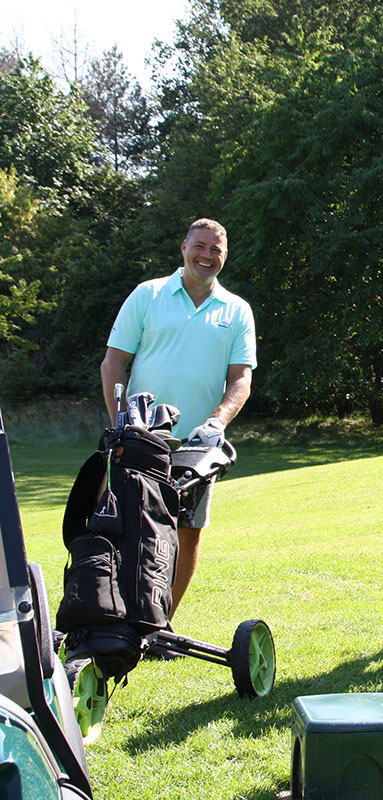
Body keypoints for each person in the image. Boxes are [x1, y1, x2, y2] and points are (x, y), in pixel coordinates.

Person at [100, 218, 256, 619]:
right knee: (126, 529)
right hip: (140, 438)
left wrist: (217, 422)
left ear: (225, 255)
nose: (206, 255)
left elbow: (241, 379)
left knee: (187, 535)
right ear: (184, 247)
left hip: (197, 448)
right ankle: (117, 618)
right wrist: (122, 422)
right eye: (199, 246)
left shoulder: (237, 310)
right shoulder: (148, 294)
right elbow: (113, 363)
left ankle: (160, 623)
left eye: (215, 249)